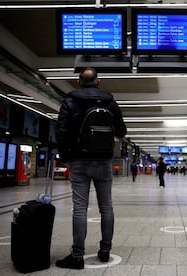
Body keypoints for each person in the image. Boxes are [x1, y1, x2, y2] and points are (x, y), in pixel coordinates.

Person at [55, 67, 127, 269]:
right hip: (104, 161)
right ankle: (105, 251)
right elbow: (122, 131)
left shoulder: (70, 101)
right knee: (107, 207)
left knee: (79, 208)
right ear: (99, 82)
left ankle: (77, 255)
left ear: (79, 82)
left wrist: (66, 157)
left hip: (79, 161)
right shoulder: (110, 102)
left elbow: (62, 132)